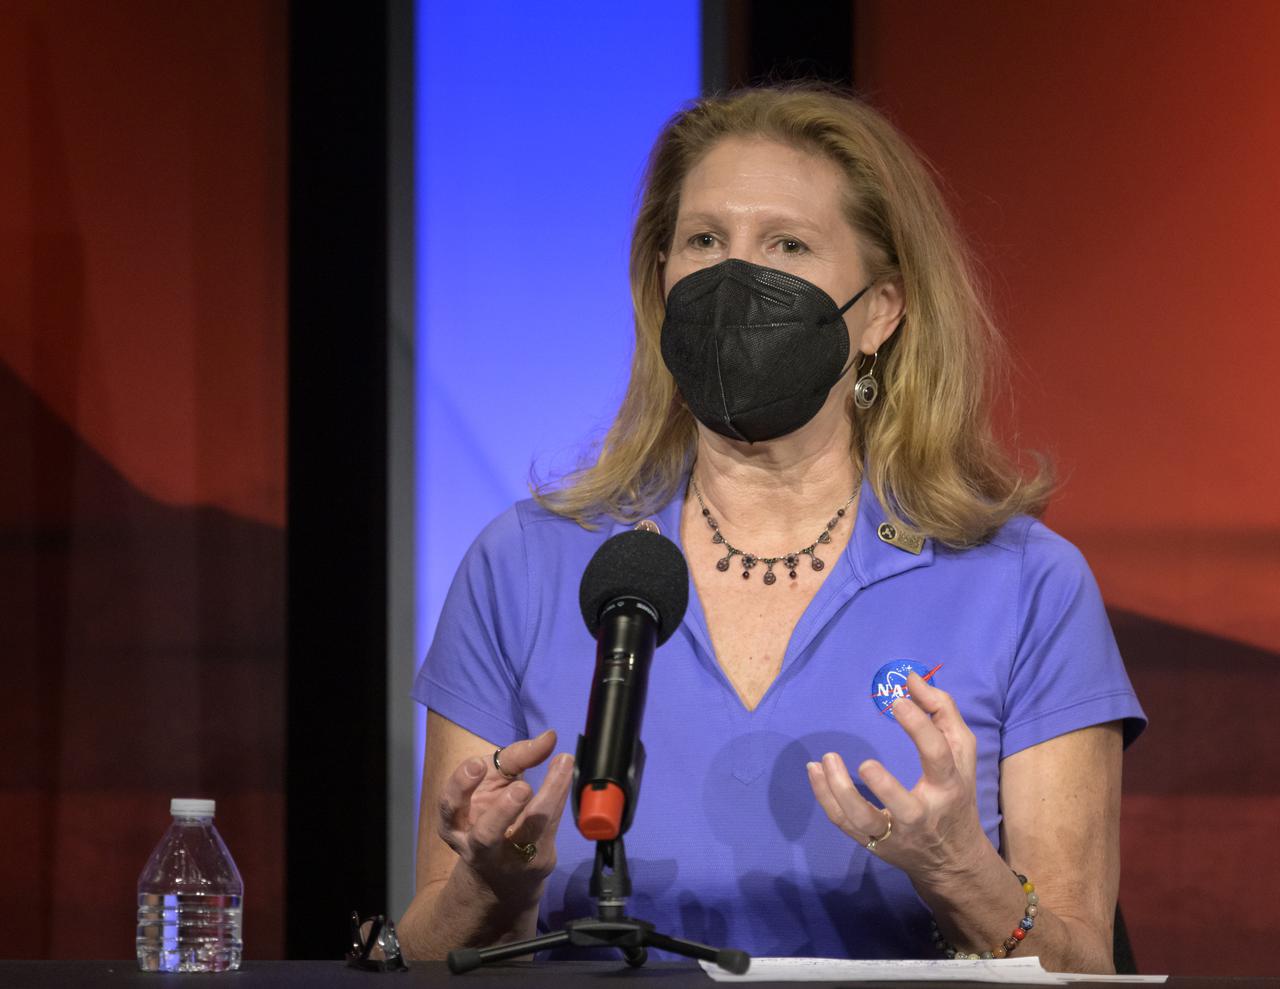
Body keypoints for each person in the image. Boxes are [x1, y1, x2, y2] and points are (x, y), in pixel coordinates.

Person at [397, 84, 1145, 972]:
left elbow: (1085, 965)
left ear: (881, 311)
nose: (733, 279)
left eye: (787, 245)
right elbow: (422, 950)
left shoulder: (1025, 585)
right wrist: (494, 885)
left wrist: (963, 874)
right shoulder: (522, 564)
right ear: (661, 281)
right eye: (705, 242)